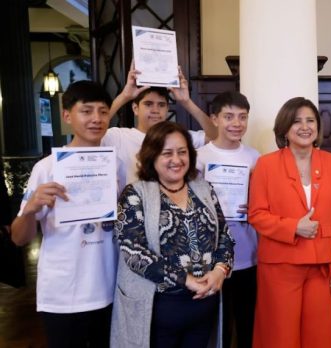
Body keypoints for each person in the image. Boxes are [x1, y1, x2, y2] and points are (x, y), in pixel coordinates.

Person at [10, 80, 117, 348]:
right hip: (63, 294)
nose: (96, 119)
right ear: (67, 116)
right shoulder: (46, 169)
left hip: (110, 291)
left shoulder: (117, 164)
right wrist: (31, 208)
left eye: (103, 112)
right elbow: (18, 238)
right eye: (87, 111)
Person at [111, 122, 234, 348]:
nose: (176, 160)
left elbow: (225, 236)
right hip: (158, 310)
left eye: (182, 152)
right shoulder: (135, 194)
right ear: (152, 156)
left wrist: (219, 270)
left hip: (204, 304)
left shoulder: (204, 188)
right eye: (167, 153)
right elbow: (133, 252)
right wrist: (185, 280)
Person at [248, 97, 331, 348]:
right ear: (285, 128)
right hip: (279, 264)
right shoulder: (266, 164)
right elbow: (256, 214)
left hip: (322, 265)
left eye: (310, 121)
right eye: (296, 121)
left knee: (320, 335)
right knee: (280, 335)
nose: (305, 127)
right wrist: (293, 227)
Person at [196, 91, 259, 348]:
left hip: (248, 253)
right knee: (215, 325)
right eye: (229, 116)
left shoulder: (256, 157)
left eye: (242, 117)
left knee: (247, 322)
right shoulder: (200, 157)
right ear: (214, 119)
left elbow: (265, 204)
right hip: (210, 257)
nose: (237, 123)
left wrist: (255, 206)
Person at [103, 63, 217, 185]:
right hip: (133, 202)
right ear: (135, 108)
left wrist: (186, 102)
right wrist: (124, 96)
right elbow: (88, 132)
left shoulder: (178, 138)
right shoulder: (119, 136)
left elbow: (215, 136)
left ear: (167, 109)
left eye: (161, 105)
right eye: (148, 104)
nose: (155, 110)